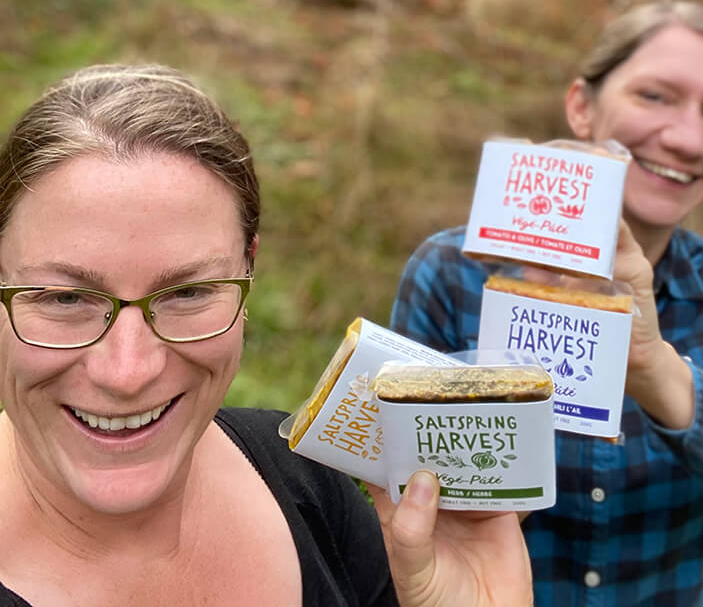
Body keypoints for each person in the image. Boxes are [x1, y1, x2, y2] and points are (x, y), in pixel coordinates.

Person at [0, 64, 533, 607]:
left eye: (187, 294)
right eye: (65, 299)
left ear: (249, 269)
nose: (127, 372)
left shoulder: (309, 484)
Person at [390, 0, 703, 604]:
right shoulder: (452, 274)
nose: (687, 138)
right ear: (582, 107)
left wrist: (655, 367)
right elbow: (410, 503)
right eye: (655, 97)